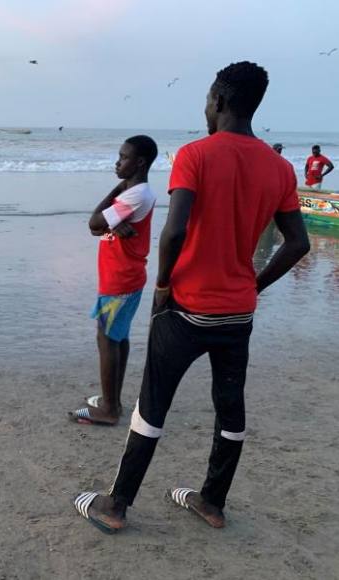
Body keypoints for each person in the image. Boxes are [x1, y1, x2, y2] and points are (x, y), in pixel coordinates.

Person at [72, 61, 310, 534]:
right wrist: (255, 284)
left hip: (187, 308)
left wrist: (162, 287)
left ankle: (116, 506)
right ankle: (211, 501)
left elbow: (175, 230)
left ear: (219, 100)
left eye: (207, 98)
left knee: (152, 404)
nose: (205, 106)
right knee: (230, 406)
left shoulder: (196, 155)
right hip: (237, 313)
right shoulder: (280, 167)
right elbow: (297, 243)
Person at [69, 136, 158, 426]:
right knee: (116, 336)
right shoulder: (135, 194)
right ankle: (113, 402)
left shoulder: (134, 195)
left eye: (123, 158)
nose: (117, 163)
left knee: (107, 337)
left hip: (120, 280)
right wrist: (113, 223)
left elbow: (94, 222)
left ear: (140, 162)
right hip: (121, 277)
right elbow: (100, 229)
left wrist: (118, 189)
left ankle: (108, 409)